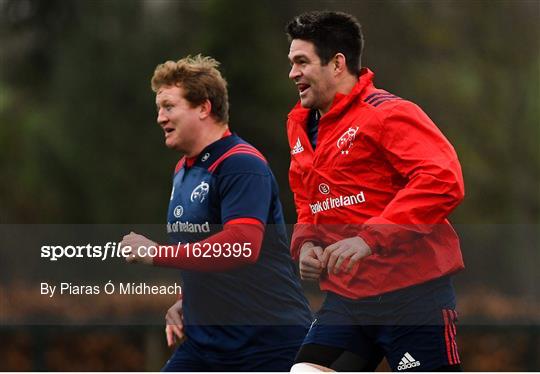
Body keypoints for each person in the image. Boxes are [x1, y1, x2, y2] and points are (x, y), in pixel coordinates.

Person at [284, 11, 465, 372]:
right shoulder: (299, 125)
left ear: (337, 64)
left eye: (301, 62)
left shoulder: (388, 113)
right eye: (291, 63)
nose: (292, 73)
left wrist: (369, 239)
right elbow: (307, 199)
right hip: (347, 301)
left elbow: (443, 179)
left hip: (414, 298)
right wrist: (305, 243)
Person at [122, 55, 311, 371]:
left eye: (169, 106)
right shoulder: (183, 170)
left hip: (268, 346)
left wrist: (155, 253)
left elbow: (241, 245)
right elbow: (205, 251)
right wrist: (188, 301)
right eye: (158, 108)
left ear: (203, 108)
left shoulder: (241, 165)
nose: (160, 117)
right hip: (207, 345)